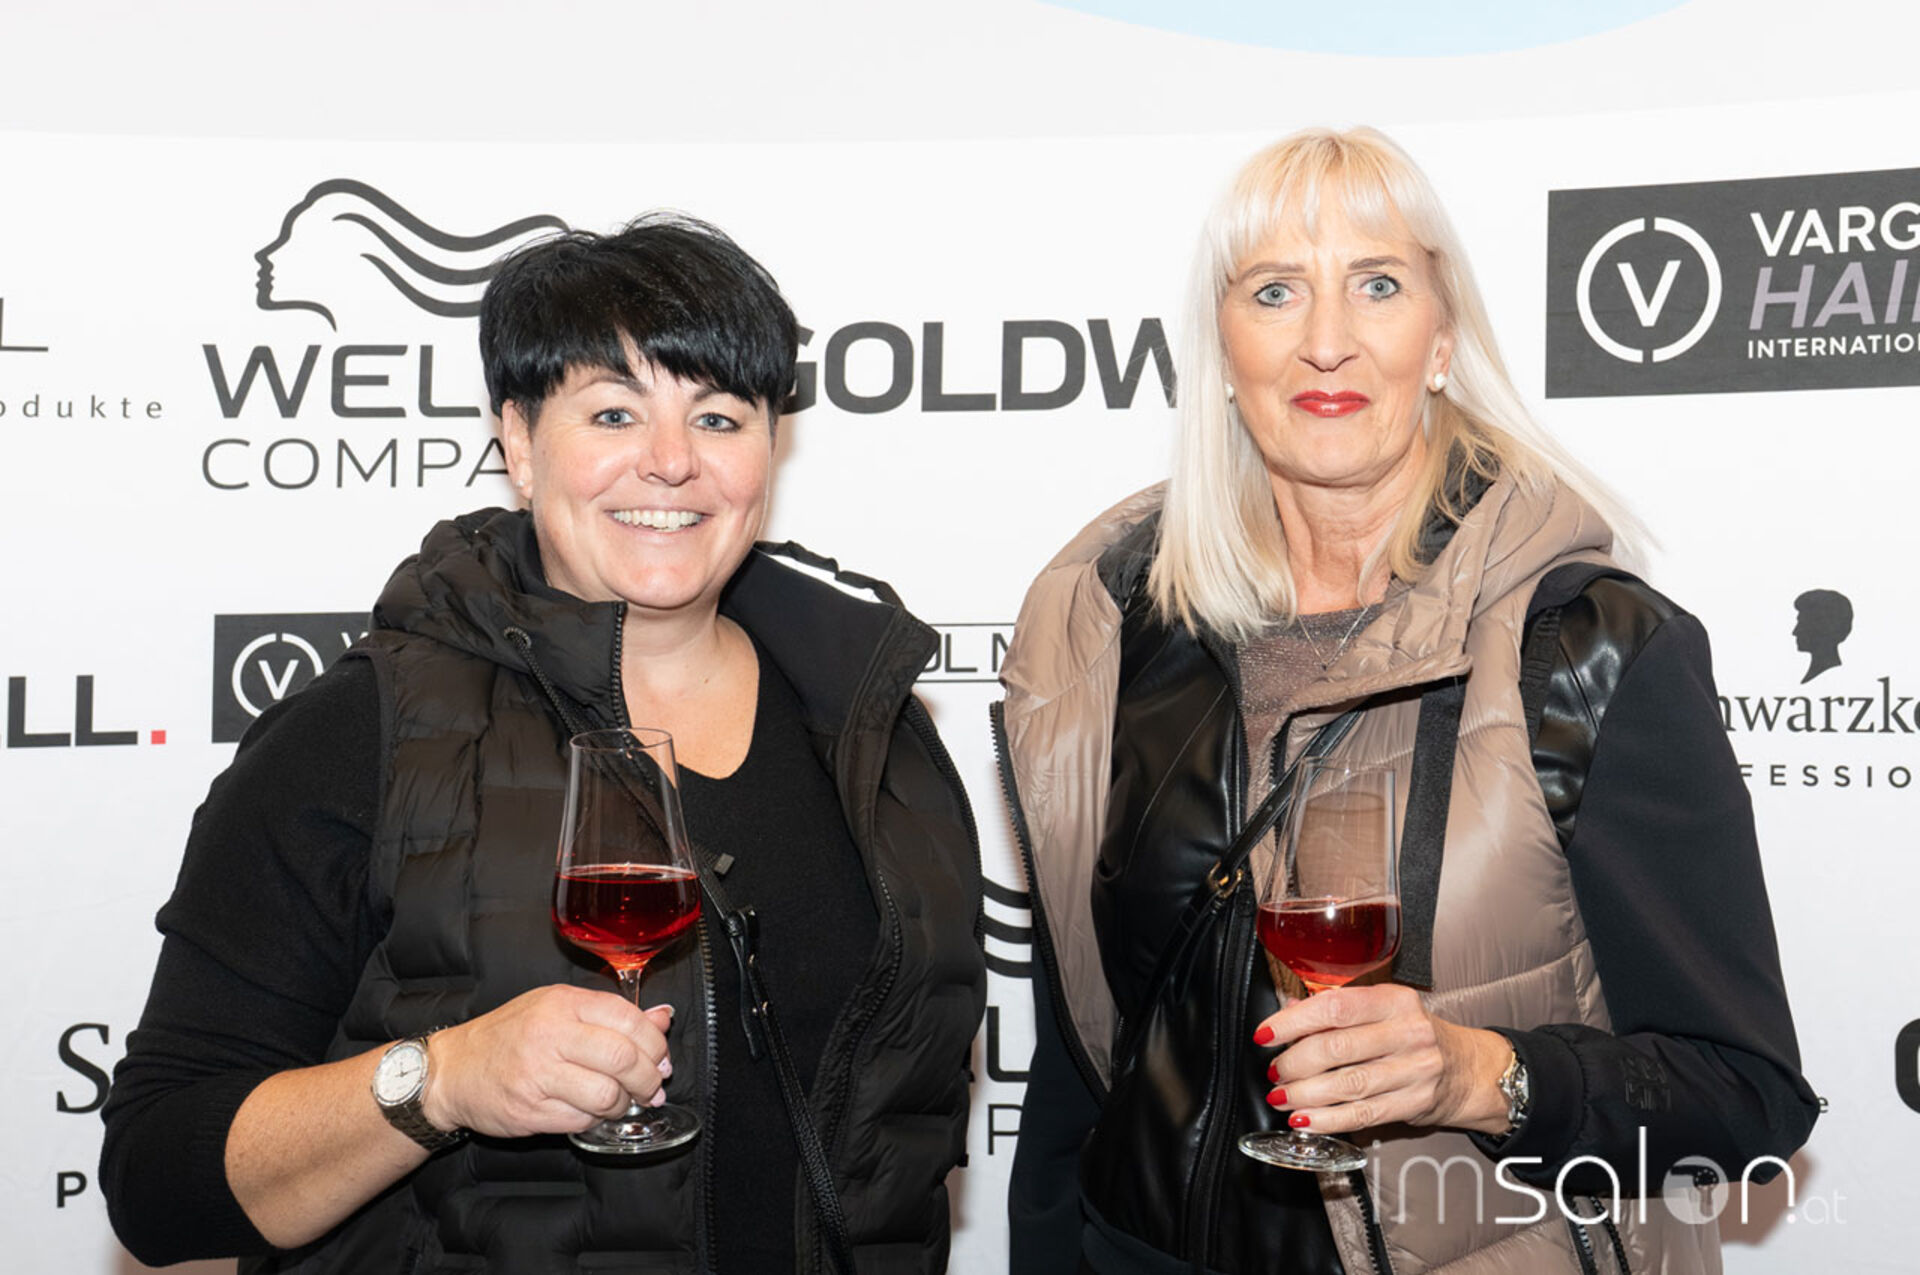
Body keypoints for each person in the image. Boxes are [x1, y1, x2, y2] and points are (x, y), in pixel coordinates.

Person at [997, 128, 1818, 1274]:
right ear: (1222, 349)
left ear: (1442, 339)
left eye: (1376, 284)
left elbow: (1745, 1100)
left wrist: (1479, 1075)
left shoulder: (1588, 644)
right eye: (1275, 291)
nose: (1326, 339)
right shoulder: (1113, 629)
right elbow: (1085, 1057)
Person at [102, 215, 986, 1274]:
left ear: (768, 448)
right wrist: (441, 1080)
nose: (672, 463)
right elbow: (159, 1181)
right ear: (519, 442)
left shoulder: (876, 729)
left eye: (718, 417)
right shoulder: (364, 732)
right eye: (613, 412)